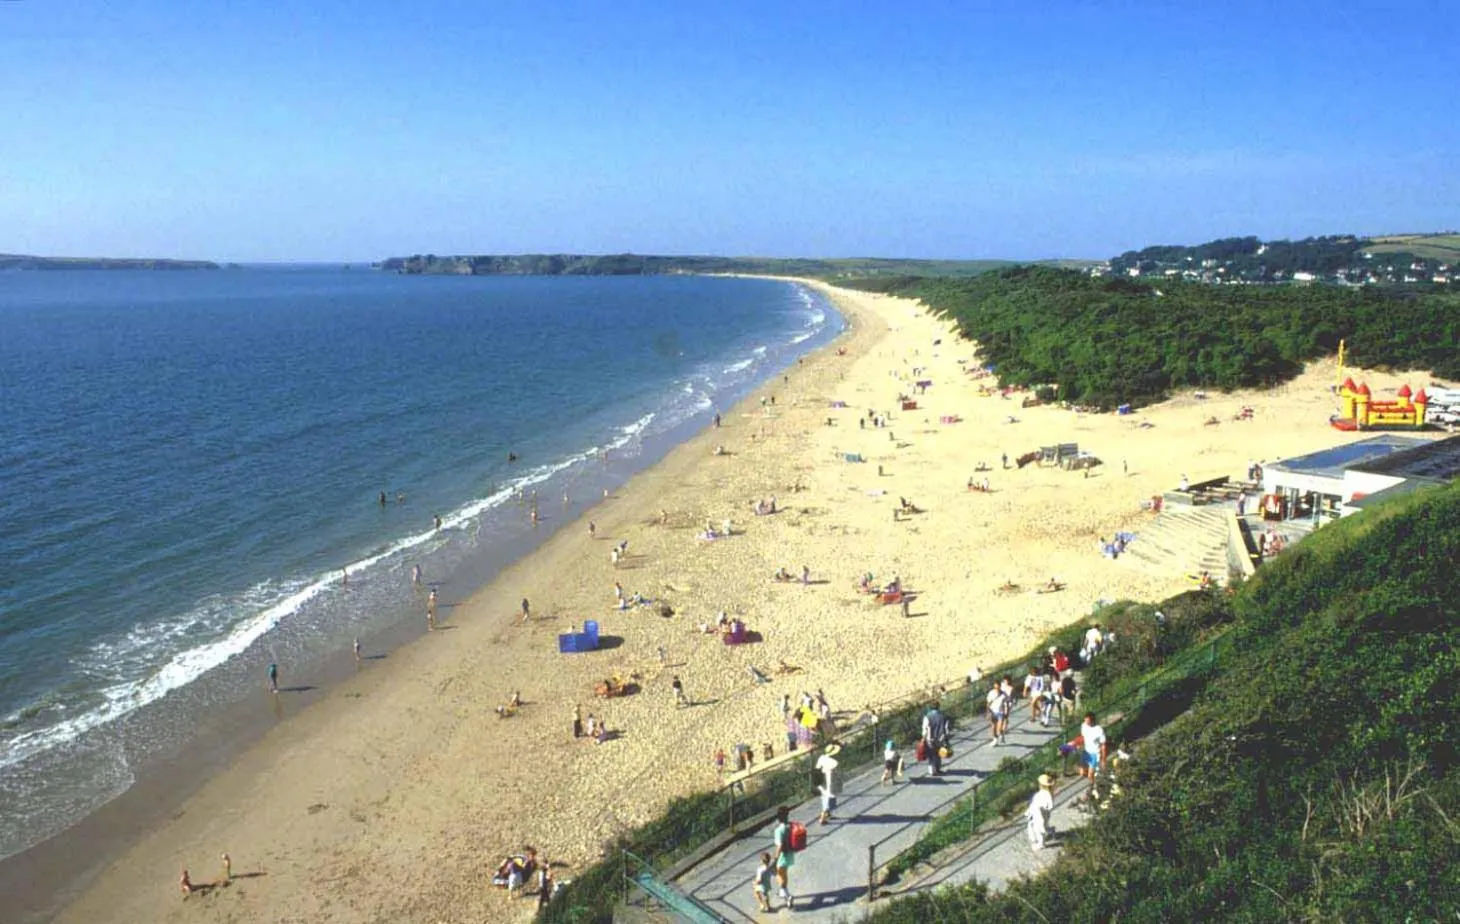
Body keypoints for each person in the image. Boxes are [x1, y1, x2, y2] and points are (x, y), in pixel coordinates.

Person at [772, 806, 796, 910]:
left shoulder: (778, 830)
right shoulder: (790, 826)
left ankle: (787, 895)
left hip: (782, 856)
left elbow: (779, 846)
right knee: (784, 875)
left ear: (778, 817)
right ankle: (784, 892)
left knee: (776, 873)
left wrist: (775, 859)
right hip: (790, 854)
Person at [1026, 774, 1055, 849]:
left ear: (1041, 785)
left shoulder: (1044, 795)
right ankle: (1050, 831)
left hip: (1039, 814)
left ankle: (1041, 844)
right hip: (1042, 814)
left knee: (1039, 828)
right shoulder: (1048, 794)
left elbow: (1045, 805)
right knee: (1043, 826)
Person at [815, 744, 841, 824]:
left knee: (824, 798)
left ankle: (828, 814)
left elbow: (817, 768)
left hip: (822, 782)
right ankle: (823, 817)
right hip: (829, 783)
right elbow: (833, 775)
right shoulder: (833, 762)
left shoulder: (822, 758)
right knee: (830, 801)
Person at [922, 703, 950, 776]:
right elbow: (946, 728)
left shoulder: (927, 717)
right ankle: (938, 768)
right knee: (938, 753)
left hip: (930, 739)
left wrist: (923, 737)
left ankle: (932, 770)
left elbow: (925, 728)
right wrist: (946, 737)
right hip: (940, 738)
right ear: (938, 707)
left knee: (931, 754)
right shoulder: (943, 716)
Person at [1080, 712, 1107, 785]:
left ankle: (1093, 786)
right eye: (1085, 720)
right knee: (1082, 773)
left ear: (1092, 721)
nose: (1086, 723)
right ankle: (1096, 778)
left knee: (1090, 775)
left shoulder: (1099, 730)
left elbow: (1103, 745)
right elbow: (1082, 737)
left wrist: (1103, 759)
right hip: (1086, 752)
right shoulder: (1083, 726)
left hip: (1094, 754)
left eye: (1087, 721)